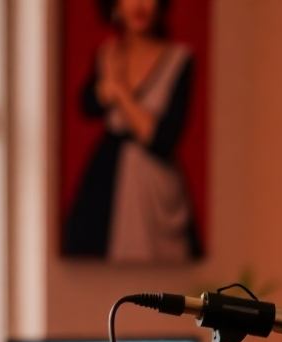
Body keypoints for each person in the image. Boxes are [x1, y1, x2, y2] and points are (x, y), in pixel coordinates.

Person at [62, 0, 202, 262]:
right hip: (108, 176)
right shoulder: (108, 54)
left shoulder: (179, 59)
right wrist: (106, 89)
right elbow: (86, 104)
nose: (139, 5)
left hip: (155, 186)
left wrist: (120, 91)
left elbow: (162, 137)